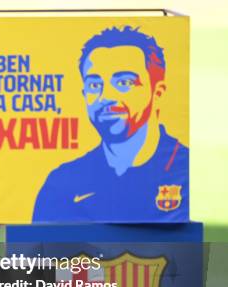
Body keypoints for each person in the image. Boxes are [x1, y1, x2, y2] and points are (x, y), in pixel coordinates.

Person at [33, 26, 189, 222]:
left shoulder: (186, 171)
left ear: (157, 92)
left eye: (124, 83)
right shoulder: (62, 184)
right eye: (95, 85)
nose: (106, 96)